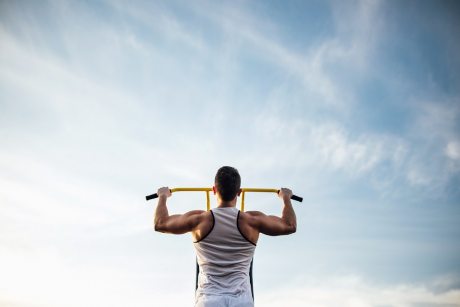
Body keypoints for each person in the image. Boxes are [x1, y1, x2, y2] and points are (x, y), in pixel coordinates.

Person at [153, 166, 297, 307]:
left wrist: (163, 196)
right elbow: (289, 225)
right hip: (242, 301)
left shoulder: (198, 220)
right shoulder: (252, 221)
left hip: (209, 300)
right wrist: (286, 198)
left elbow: (160, 223)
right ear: (239, 192)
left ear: (214, 190)